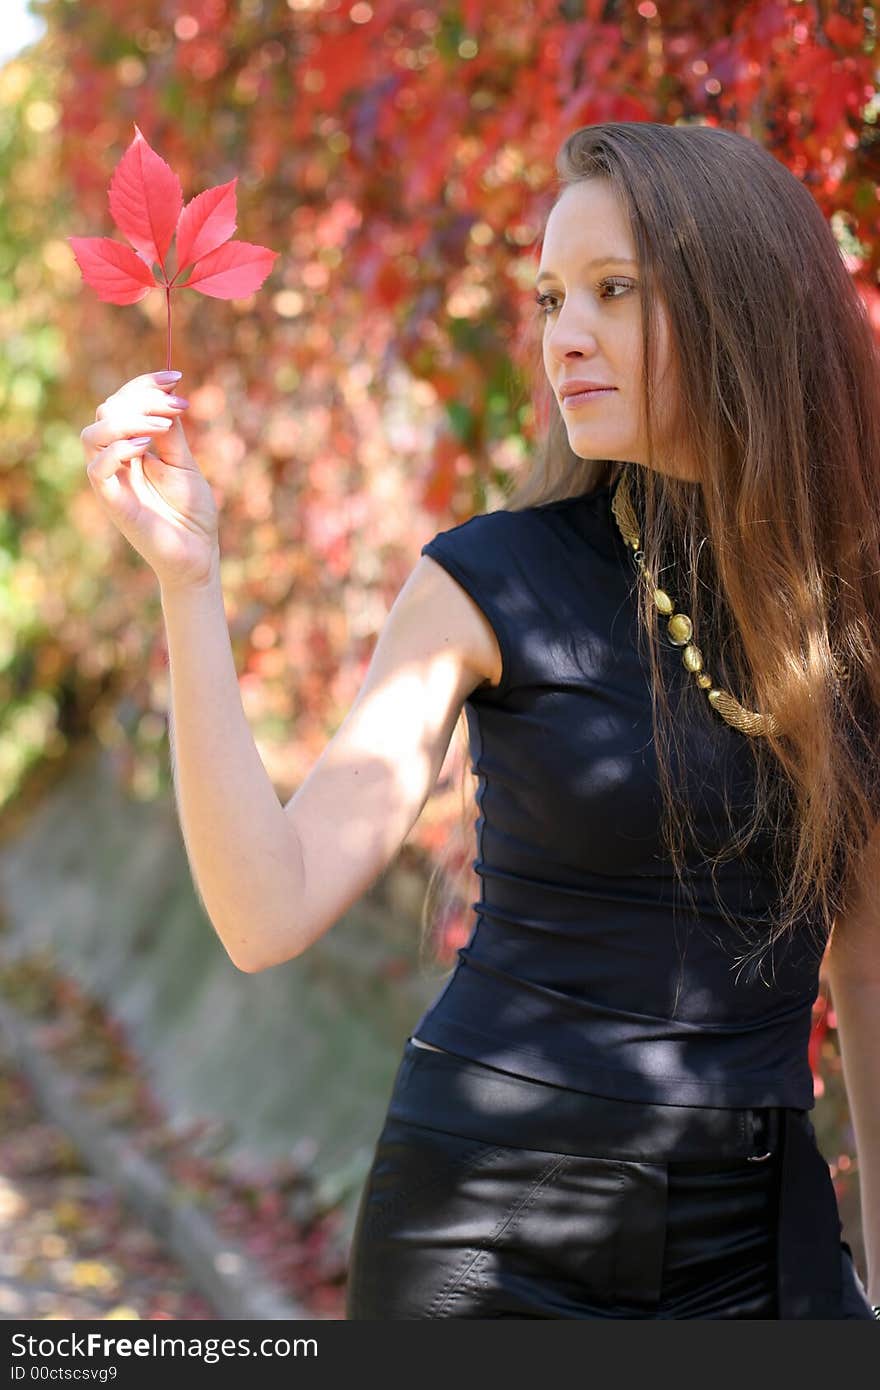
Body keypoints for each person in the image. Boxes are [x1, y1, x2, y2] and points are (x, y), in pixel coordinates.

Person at [79, 120, 880, 1320]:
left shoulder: (851, 612)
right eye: (552, 296)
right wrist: (188, 586)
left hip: (759, 1241)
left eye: (614, 291)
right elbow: (267, 910)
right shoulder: (487, 580)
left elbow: (864, 963)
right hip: (487, 1231)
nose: (565, 335)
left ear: (741, 302)